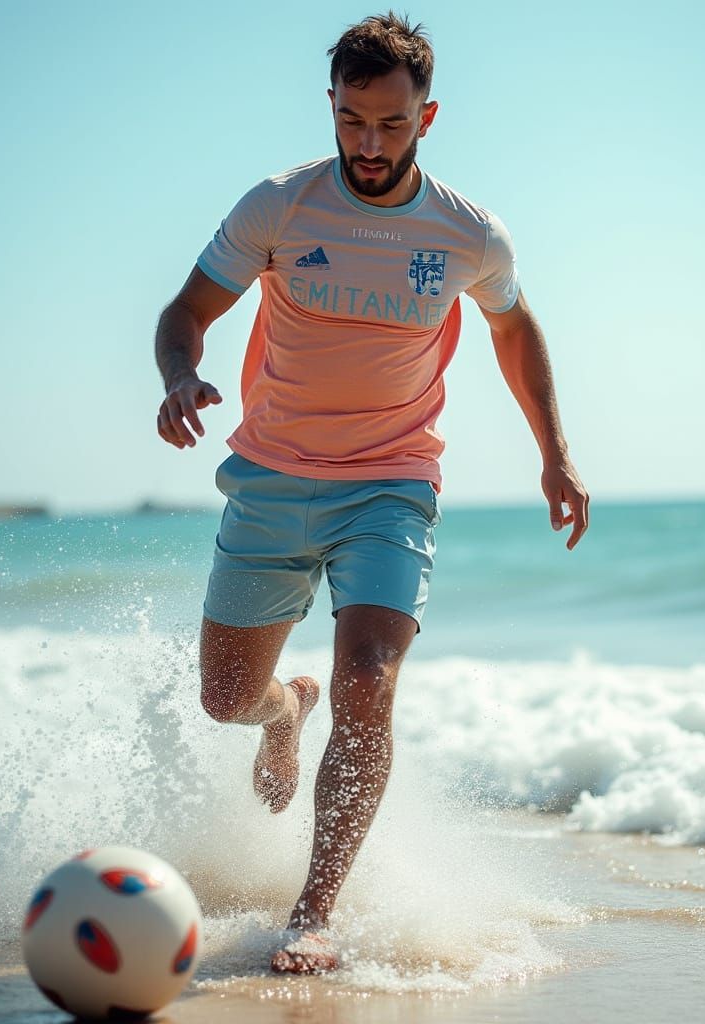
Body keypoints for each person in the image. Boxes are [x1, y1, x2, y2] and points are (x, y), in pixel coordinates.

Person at [154, 12, 588, 974]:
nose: (371, 144)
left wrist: (553, 453)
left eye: (392, 124)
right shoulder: (280, 206)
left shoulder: (468, 233)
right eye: (354, 121)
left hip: (392, 482)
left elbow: (516, 331)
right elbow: (186, 310)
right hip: (269, 477)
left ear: (428, 117)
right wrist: (180, 376)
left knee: (370, 687)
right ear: (333, 108)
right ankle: (283, 708)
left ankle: (315, 913)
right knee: (225, 699)